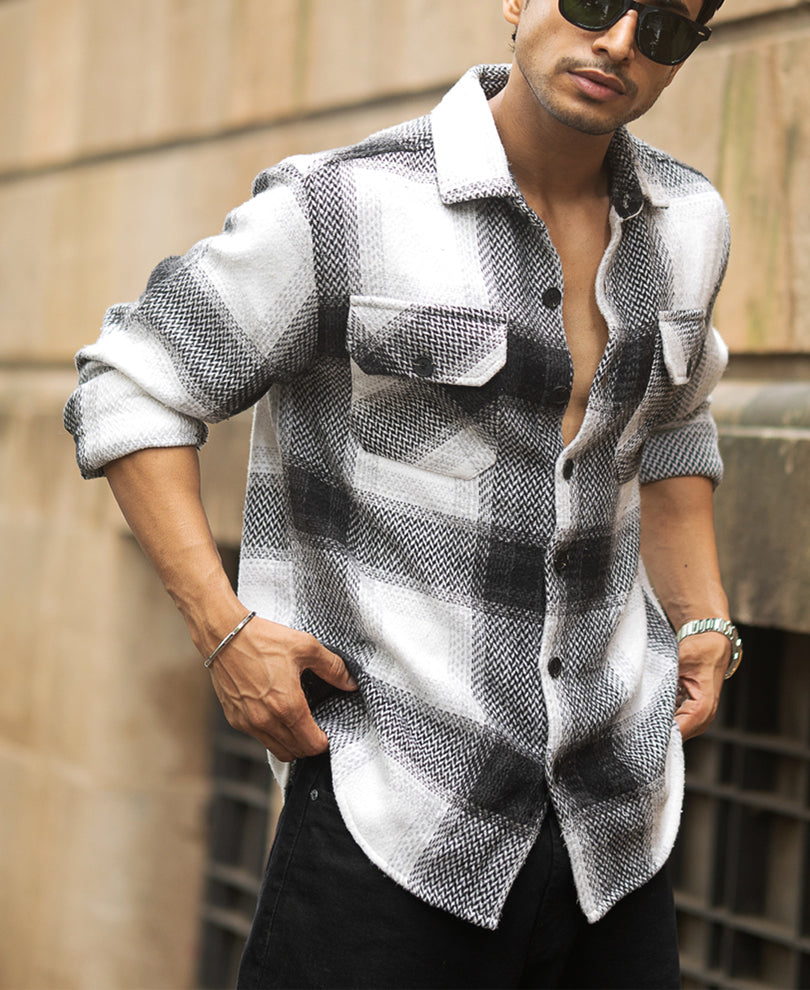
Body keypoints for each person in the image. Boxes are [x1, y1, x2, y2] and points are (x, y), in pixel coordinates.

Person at [65, 0, 744, 985]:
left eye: (665, 29)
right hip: (398, 813)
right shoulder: (343, 205)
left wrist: (703, 618)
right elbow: (131, 379)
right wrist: (221, 628)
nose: (617, 43)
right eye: (594, 2)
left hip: (614, 821)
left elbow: (672, 420)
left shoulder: (691, 223)